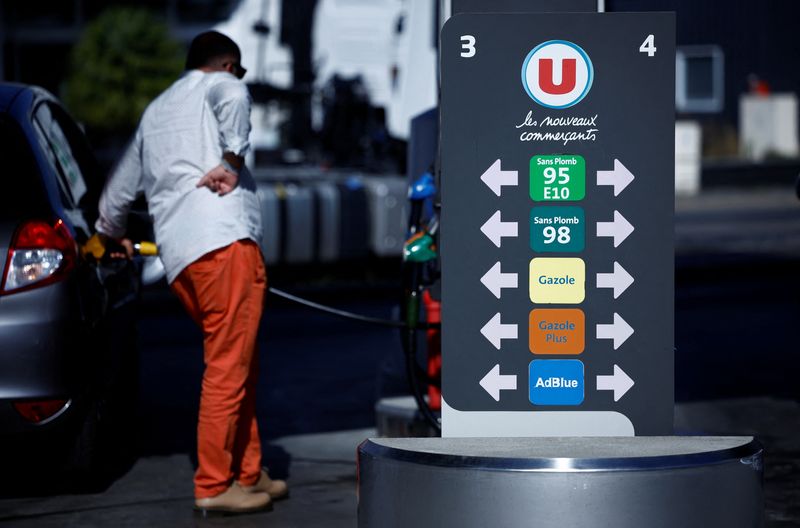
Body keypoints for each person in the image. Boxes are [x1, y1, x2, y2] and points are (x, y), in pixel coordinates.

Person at [94, 31, 287, 515]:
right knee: (227, 366)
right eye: (236, 69)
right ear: (225, 64)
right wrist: (232, 159)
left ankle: (247, 471)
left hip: (182, 259)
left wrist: (107, 231)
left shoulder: (156, 111)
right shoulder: (220, 86)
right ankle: (215, 483)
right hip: (224, 243)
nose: (237, 79)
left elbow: (119, 189)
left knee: (238, 361)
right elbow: (234, 93)